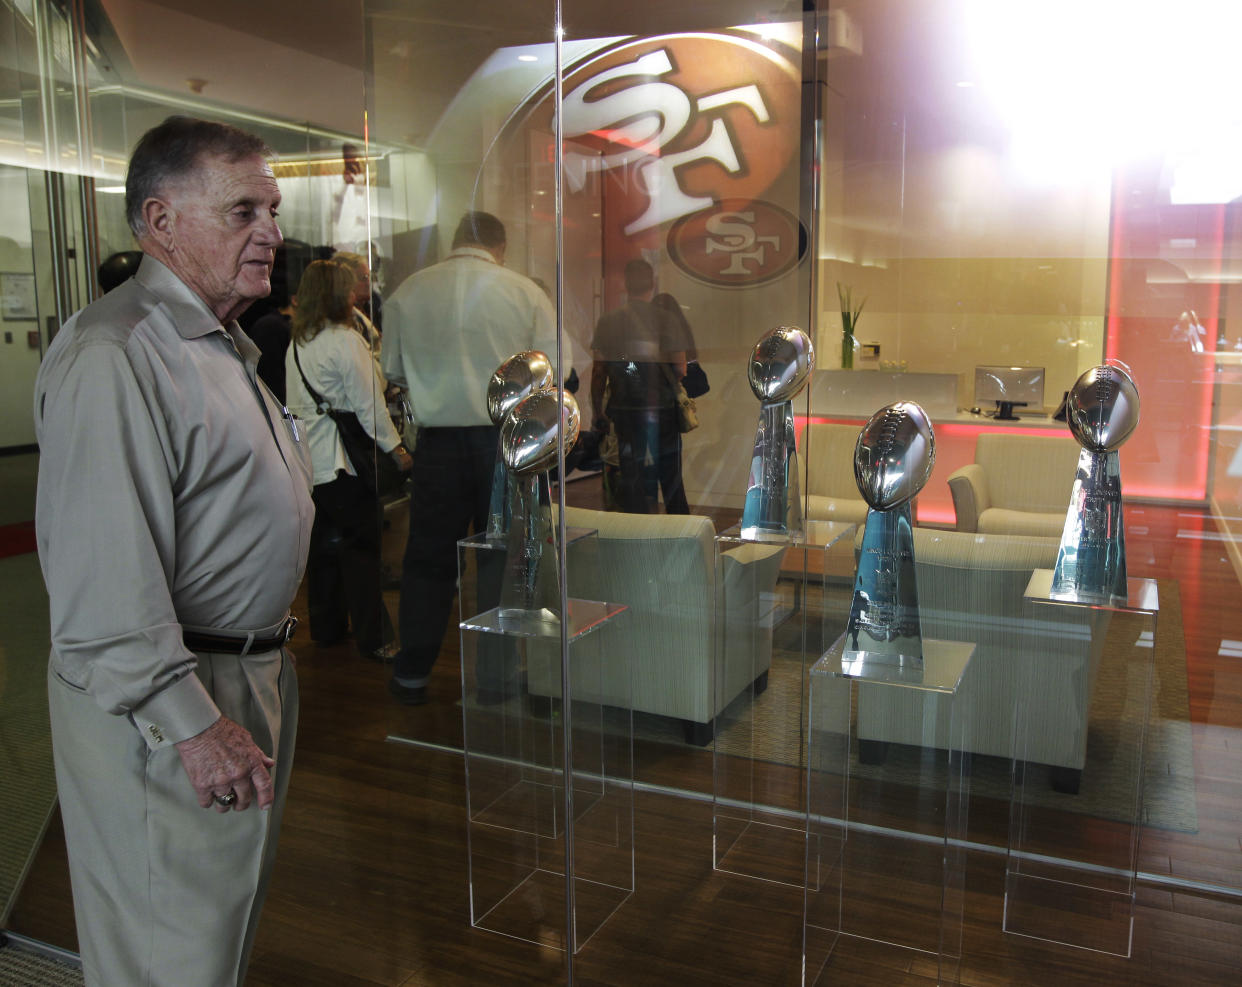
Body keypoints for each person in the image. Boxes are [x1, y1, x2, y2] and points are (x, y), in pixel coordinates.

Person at [32, 115, 314, 987]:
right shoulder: (117, 352)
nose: (271, 228)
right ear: (161, 223)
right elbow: (103, 586)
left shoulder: (216, 339)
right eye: (242, 211)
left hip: (243, 674)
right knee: (166, 955)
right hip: (177, 699)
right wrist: (196, 727)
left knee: (210, 938)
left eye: (271, 207)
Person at [380, 210, 558, 704]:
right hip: (505, 442)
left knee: (428, 560)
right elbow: (554, 372)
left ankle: (412, 674)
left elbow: (392, 368)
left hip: (436, 444)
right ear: (499, 247)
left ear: (456, 241)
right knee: (503, 560)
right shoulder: (524, 292)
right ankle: (495, 681)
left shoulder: (409, 292)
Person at [285, 258, 411, 660]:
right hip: (346, 462)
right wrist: (399, 451)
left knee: (324, 551)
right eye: (350, 288)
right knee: (362, 552)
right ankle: (376, 639)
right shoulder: (345, 340)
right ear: (337, 295)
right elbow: (369, 408)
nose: (357, 293)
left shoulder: (298, 342)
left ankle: (326, 627)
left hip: (311, 462)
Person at [590, 259, 688, 514]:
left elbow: (599, 371)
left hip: (624, 408)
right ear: (652, 284)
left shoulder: (608, 321)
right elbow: (681, 368)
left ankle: (636, 535)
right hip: (663, 407)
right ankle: (682, 534)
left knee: (630, 473)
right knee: (671, 475)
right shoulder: (666, 319)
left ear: (625, 284)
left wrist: (597, 411)